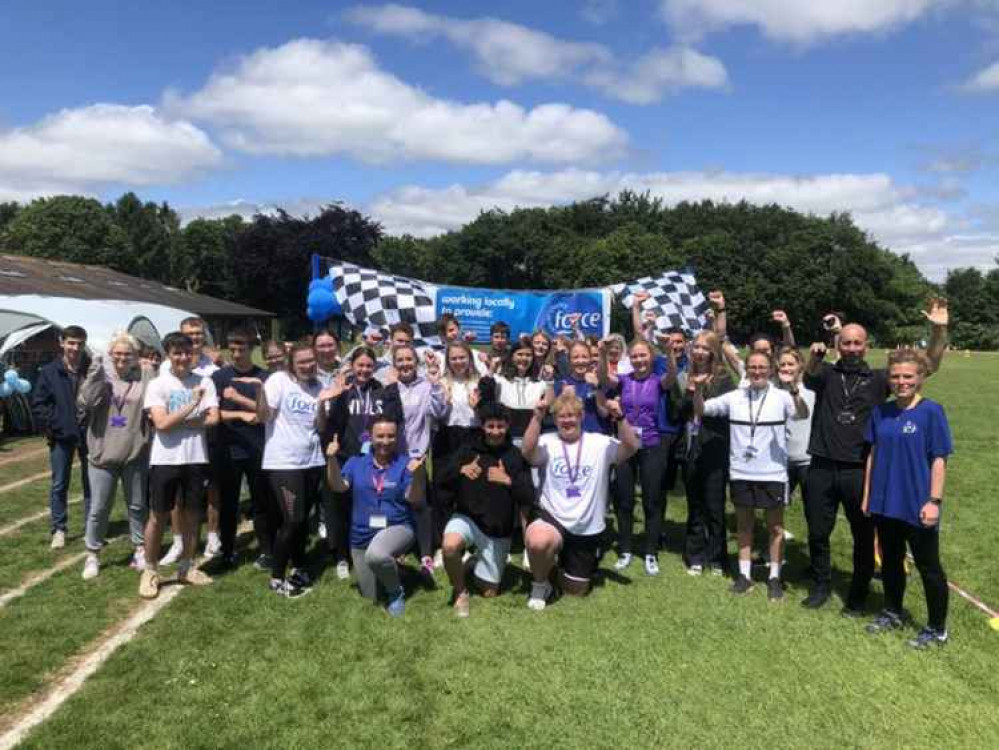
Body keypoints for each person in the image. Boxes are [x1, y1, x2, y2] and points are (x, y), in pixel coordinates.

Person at [800, 299, 948, 613]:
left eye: (858, 343)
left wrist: (938, 331)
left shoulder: (881, 379)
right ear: (839, 345)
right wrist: (814, 356)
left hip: (859, 469)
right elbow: (808, 374)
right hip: (822, 465)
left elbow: (929, 365)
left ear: (867, 346)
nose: (852, 347)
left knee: (864, 537)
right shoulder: (826, 374)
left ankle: (857, 594)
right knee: (816, 532)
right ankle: (822, 585)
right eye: (846, 343)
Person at [693, 350, 809, 601]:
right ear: (747, 370)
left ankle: (775, 577)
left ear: (770, 370)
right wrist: (698, 391)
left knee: (775, 527)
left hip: (773, 473)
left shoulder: (782, 396)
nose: (757, 372)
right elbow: (702, 410)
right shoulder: (735, 397)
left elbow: (802, 413)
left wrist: (795, 390)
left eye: (762, 367)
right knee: (744, 526)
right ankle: (744, 576)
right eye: (753, 367)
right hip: (741, 471)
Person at [862, 349, 953, 648]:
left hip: (918, 504)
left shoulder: (932, 411)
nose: (901, 381)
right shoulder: (881, 412)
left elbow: (939, 459)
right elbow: (873, 455)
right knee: (890, 561)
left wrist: (934, 502)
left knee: (929, 567)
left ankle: (937, 629)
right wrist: (867, 496)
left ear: (921, 378)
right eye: (896, 376)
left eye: (908, 376)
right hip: (885, 502)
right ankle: (892, 611)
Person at [521, 391, 640, 610]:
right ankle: (540, 584)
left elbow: (631, 447)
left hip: (586, 526)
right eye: (561, 416)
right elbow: (528, 453)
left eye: (572, 415)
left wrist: (621, 418)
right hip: (552, 516)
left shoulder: (600, 443)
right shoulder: (547, 441)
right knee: (538, 542)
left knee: (575, 591)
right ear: (555, 419)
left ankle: (555, 565)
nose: (567, 420)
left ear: (581, 416)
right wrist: (537, 417)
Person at [139, 332, 219, 599]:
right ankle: (149, 570)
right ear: (168, 355)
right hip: (165, 459)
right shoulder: (158, 385)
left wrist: (181, 420)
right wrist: (193, 404)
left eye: (187, 352)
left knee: (192, 515)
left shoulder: (205, 381)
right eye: (177, 353)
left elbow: (213, 419)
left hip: (196, 457)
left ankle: (187, 566)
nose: (183, 358)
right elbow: (160, 424)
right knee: (158, 515)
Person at [435, 401, 535, 616]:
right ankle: (460, 592)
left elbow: (528, 496)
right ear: (482, 426)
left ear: (508, 426)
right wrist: (460, 469)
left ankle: (473, 562)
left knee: (489, 592)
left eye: (500, 426)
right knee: (450, 547)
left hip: (497, 528)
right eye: (490, 426)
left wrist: (508, 481)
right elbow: (441, 478)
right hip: (467, 518)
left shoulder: (515, 456)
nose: (495, 432)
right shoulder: (468, 449)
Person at [325, 417, 427, 617]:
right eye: (380, 436)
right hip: (361, 534)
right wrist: (331, 460)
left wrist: (418, 476)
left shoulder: (405, 463)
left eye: (391, 436)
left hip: (397, 527)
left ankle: (396, 592)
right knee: (369, 595)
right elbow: (338, 486)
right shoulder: (356, 463)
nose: (385, 441)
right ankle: (394, 568)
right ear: (370, 437)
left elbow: (413, 498)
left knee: (377, 555)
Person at [317, 346, 404, 580]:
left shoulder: (381, 390)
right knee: (340, 508)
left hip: (374, 460)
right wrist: (336, 393)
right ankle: (342, 556)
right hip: (348, 457)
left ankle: (378, 551)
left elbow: (395, 418)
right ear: (352, 366)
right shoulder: (344, 391)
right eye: (360, 365)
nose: (364, 370)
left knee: (372, 507)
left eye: (368, 365)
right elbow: (330, 425)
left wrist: (393, 388)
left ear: (374, 367)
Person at [77, 332, 153, 579]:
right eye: (117, 353)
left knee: (137, 506)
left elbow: (153, 404)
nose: (122, 358)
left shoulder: (142, 378)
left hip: (135, 454)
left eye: (127, 354)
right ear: (110, 355)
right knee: (99, 508)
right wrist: (95, 371)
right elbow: (86, 401)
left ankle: (140, 548)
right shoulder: (103, 377)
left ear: (135, 356)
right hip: (102, 455)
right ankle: (92, 554)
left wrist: (150, 372)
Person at [254, 340, 326, 598]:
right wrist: (260, 392)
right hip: (284, 462)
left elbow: (321, 427)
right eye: (302, 362)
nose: (308, 366)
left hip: (312, 461)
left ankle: (299, 567)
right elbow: (263, 417)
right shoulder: (278, 381)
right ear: (291, 364)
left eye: (311, 360)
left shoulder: (319, 386)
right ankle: (276, 576)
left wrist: (322, 403)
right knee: (292, 519)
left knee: (302, 521)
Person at [599, 339, 676, 575]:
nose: (639, 360)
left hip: (652, 444)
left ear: (651, 357)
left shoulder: (657, 381)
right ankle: (625, 549)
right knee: (624, 498)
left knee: (652, 499)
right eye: (635, 356)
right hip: (627, 445)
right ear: (629, 359)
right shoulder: (624, 381)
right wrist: (602, 354)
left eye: (643, 355)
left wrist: (670, 352)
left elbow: (672, 376)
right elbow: (604, 378)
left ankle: (650, 552)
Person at [159, 317, 221, 564]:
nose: (194, 339)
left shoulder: (213, 368)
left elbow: (213, 411)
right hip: (175, 443)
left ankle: (214, 536)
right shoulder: (166, 368)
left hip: (207, 439)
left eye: (198, 334)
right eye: (189, 334)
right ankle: (177, 541)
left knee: (213, 490)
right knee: (177, 497)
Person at [382, 344, 448, 575]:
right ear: (394, 364)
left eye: (409, 359)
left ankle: (426, 555)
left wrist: (436, 383)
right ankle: (397, 549)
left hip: (417, 457)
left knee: (420, 505)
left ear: (416, 362)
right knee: (395, 504)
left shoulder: (425, 386)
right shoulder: (390, 387)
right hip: (391, 457)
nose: (405, 364)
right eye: (400, 360)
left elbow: (439, 412)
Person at [675, 331, 736, 576]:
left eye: (704, 348)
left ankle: (718, 557)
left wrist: (701, 393)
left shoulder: (723, 379)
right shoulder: (684, 377)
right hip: (691, 446)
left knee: (715, 505)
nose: (699, 352)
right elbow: (677, 412)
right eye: (696, 347)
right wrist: (689, 392)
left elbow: (725, 413)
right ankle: (695, 555)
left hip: (714, 446)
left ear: (713, 352)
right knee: (695, 504)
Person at [212, 328, 272, 568]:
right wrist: (239, 414)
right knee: (229, 502)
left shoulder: (264, 377)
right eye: (232, 349)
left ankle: (266, 550)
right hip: (228, 449)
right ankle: (227, 551)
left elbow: (267, 413)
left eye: (242, 349)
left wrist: (247, 405)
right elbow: (213, 412)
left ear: (252, 349)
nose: (236, 354)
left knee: (261, 502)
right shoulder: (219, 377)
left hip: (257, 449)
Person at [32, 325, 92, 549]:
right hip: (62, 436)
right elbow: (38, 404)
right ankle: (59, 529)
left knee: (91, 484)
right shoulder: (49, 371)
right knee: (59, 484)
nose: (75, 348)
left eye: (79, 343)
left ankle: (91, 528)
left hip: (89, 435)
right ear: (62, 342)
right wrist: (55, 425)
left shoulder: (92, 368)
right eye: (71, 343)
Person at [481, 340, 548, 442]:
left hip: (531, 439)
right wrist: (491, 369)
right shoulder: (500, 380)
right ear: (512, 357)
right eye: (520, 354)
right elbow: (484, 393)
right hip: (505, 440)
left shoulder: (540, 384)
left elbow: (547, 410)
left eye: (528, 355)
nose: (524, 358)